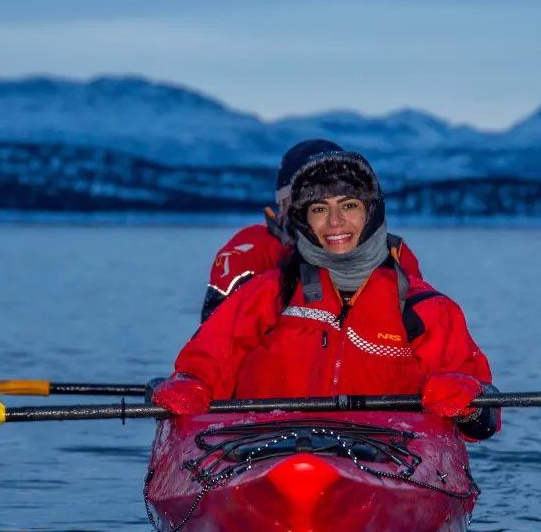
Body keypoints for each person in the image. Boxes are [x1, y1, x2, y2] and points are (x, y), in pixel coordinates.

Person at [156, 149, 498, 439]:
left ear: (372, 212)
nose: (335, 222)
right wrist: (191, 384)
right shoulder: (266, 294)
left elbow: (485, 419)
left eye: (349, 206)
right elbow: (205, 361)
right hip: (260, 454)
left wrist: (468, 403)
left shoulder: (426, 308)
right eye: (319, 209)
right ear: (305, 220)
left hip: (388, 462)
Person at [202, 139, 422, 321]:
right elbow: (215, 341)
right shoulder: (251, 250)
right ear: (283, 204)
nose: (331, 218)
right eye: (308, 201)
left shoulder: (392, 253)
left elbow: (425, 335)